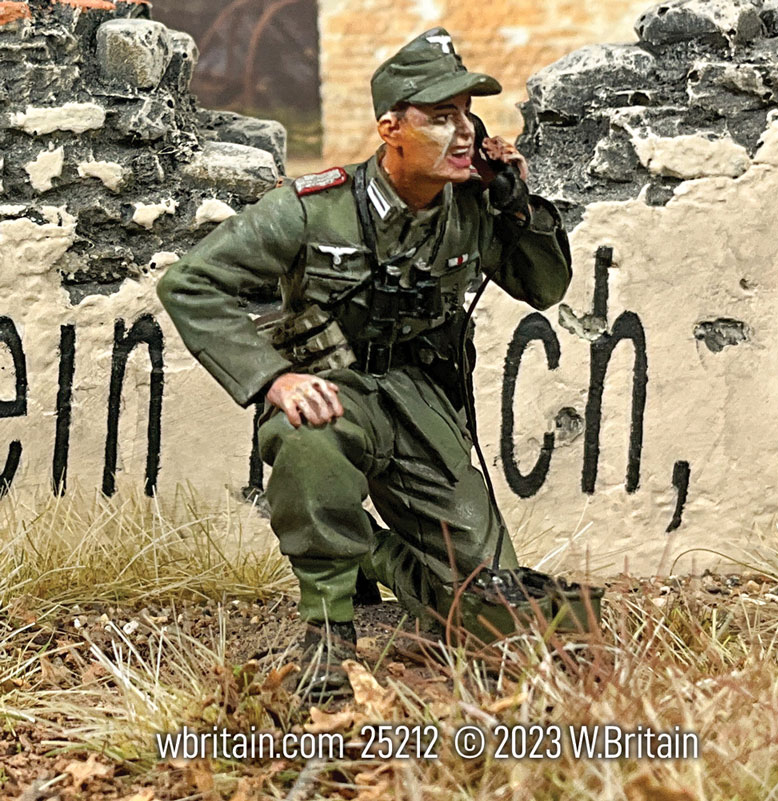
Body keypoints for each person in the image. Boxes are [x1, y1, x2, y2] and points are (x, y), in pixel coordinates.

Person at [156, 27, 572, 699]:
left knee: (493, 620)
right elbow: (189, 285)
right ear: (390, 128)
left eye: (467, 113)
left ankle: (374, 553)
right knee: (308, 438)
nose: (463, 132)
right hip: (333, 382)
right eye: (441, 117)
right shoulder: (312, 208)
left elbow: (545, 288)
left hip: (420, 399)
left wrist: (519, 204)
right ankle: (328, 626)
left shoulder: (471, 206)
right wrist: (273, 378)